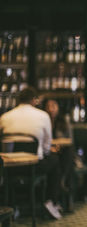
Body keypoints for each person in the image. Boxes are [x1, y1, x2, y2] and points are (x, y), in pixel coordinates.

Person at [0, 87, 63, 219]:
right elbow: (47, 147)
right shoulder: (43, 116)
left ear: (18, 100)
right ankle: (50, 201)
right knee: (56, 160)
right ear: (34, 101)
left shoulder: (5, 117)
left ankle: (12, 205)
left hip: (9, 168)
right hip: (33, 167)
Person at [43, 98, 75, 210]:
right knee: (63, 162)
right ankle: (63, 181)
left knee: (68, 153)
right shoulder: (43, 120)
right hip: (49, 152)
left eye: (54, 106)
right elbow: (43, 140)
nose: (51, 109)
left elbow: (69, 140)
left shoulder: (64, 119)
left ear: (58, 107)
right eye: (48, 106)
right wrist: (51, 147)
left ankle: (62, 179)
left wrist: (58, 146)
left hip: (62, 151)